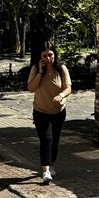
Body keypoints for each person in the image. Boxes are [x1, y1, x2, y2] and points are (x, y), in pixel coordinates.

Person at [26, 44, 71, 183]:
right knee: (46, 140)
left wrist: (62, 95)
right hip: (41, 111)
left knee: (55, 142)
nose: (48, 58)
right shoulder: (35, 69)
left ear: (55, 55)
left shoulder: (61, 69)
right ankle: (45, 171)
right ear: (40, 58)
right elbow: (31, 88)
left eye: (50, 55)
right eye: (44, 56)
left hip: (58, 111)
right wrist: (40, 72)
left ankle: (51, 163)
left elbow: (68, 87)